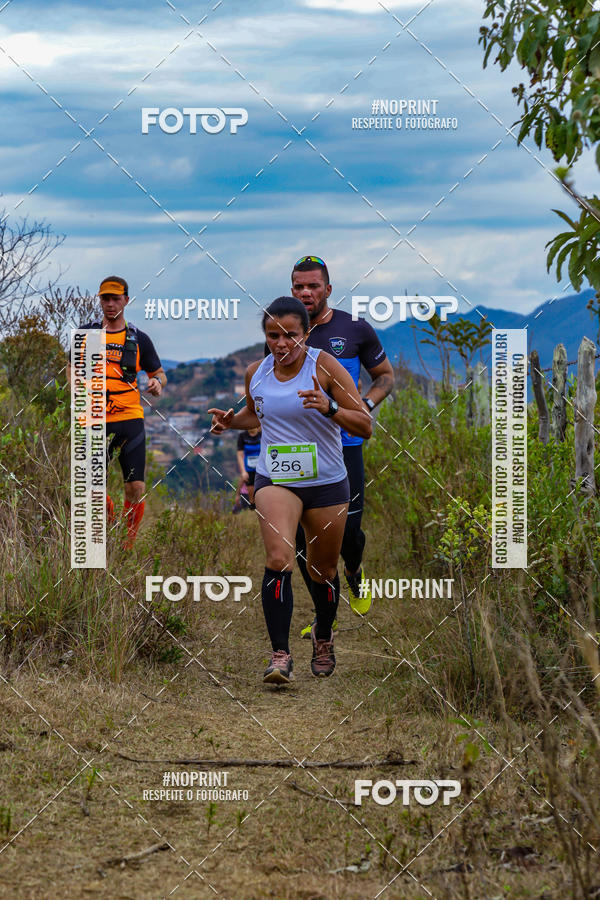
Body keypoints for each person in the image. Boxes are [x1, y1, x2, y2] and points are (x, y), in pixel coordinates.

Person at [209, 296, 371, 684]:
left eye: (290, 335)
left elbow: (364, 425)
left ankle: (323, 635)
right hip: (276, 479)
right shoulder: (256, 372)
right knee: (279, 558)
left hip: (327, 483)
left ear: (306, 333)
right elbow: (256, 414)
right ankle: (280, 655)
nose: (281, 343)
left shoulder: (325, 367)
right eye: (272, 336)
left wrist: (330, 407)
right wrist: (231, 422)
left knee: (322, 570)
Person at [290, 256, 394, 636]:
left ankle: (354, 570)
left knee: (348, 532)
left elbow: (385, 376)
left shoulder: (354, 329)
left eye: (313, 286)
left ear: (328, 289)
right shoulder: (285, 332)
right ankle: (325, 617)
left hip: (345, 443)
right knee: (303, 539)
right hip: (301, 449)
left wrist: (362, 405)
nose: (305, 292)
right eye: (299, 286)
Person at [67, 276, 167, 548]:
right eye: (105, 299)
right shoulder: (86, 334)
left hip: (129, 418)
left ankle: (126, 544)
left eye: (115, 298)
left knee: (135, 487)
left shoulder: (139, 338)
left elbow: (158, 372)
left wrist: (157, 383)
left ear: (126, 300)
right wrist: (76, 388)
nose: (110, 304)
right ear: (100, 300)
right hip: (93, 419)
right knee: (91, 488)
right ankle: (111, 525)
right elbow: (72, 367)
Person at [235, 425, 261, 510]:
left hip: (262, 468)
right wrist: (243, 471)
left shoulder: (261, 434)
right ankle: (252, 507)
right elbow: (240, 454)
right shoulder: (242, 436)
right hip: (249, 468)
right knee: (251, 495)